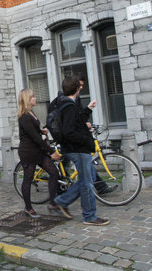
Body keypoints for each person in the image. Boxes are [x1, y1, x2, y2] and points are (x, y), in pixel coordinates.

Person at [53, 75, 109, 226]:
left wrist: (88, 109)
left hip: (76, 147)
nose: (81, 88)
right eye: (80, 86)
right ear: (77, 88)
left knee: (88, 177)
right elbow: (69, 131)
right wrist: (85, 140)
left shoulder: (68, 103)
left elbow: (78, 122)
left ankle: (61, 201)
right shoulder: (69, 106)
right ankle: (89, 216)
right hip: (77, 148)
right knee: (87, 183)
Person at [17, 89, 60, 218]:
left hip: (38, 150)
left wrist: (42, 131)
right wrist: (51, 152)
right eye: (33, 97)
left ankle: (52, 202)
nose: (35, 98)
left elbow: (35, 132)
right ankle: (28, 208)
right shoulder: (24, 116)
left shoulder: (31, 112)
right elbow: (33, 137)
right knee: (28, 179)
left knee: (54, 172)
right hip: (28, 152)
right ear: (27, 99)